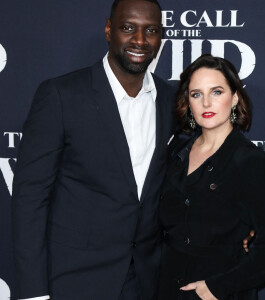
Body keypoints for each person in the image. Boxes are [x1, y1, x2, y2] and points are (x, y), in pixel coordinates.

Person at [12, 0, 176, 299]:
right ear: (108, 29)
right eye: (128, 28)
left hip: (146, 280)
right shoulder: (62, 95)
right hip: (73, 279)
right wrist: (32, 291)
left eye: (150, 30)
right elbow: (29, 198)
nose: (140, 40)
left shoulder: (170, 100)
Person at [158, 54, 265, 300]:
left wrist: (217, 287)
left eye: (217, 92)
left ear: (235, 98)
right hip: (166, 288)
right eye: (196, 94)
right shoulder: (176, 151)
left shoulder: (252, 162)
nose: (206, 103)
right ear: (188, 101)